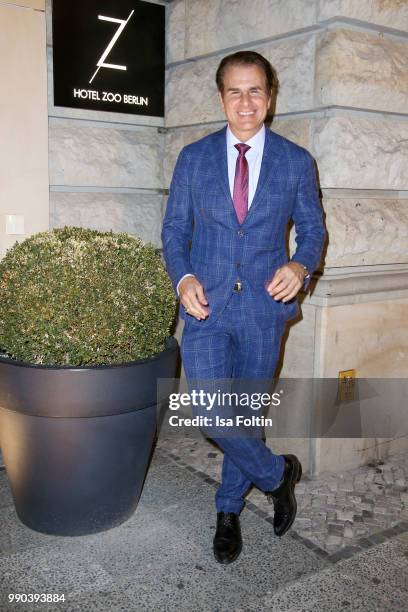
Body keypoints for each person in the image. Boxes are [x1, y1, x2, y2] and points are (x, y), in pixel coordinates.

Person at [161, 50, 326, 564]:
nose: (246, 101)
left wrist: (300, 267)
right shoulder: (193, 157)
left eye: (256, 90)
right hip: (206, 308)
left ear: (270, 97)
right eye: (235, 90)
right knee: (210, 410)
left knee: (245, 415)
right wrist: (183, 276)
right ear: (221, 98)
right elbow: (173, 231)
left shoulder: (296, 161)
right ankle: (279, 476)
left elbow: (315, 231)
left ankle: (228, 508)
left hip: (263, 310)